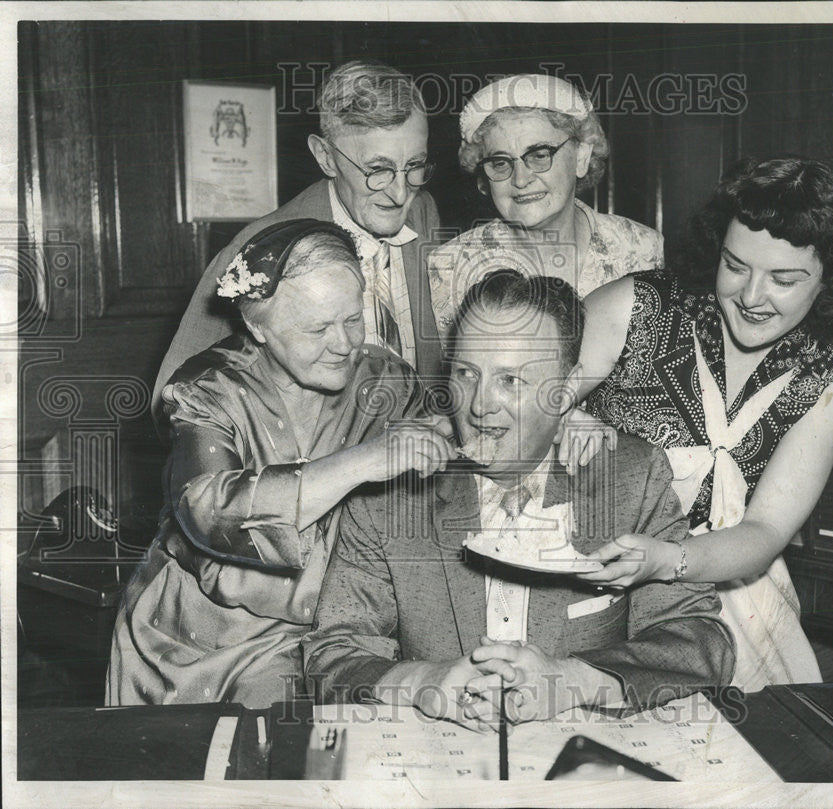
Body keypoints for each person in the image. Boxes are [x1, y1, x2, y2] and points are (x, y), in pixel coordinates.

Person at [302, 271, 734, 727]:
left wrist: (574, 682)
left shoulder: (629, 477)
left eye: (510, 380)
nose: (479, 406)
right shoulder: (391, 493)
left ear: (565, 394)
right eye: (467, 373)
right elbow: (332, 655)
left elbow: (702, 642)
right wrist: (421, 684)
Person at [107, 220, 456, 708]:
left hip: (337, 629)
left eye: (353, 319)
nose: (344, 345)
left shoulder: (387, 381)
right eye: (317, 328)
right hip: (198, 640)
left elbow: (458, 442)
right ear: (258, 327)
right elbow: (208, 511)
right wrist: (364, 461)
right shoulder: (210, 388)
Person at [570, 157, 833, 692]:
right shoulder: (639, 306)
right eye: (736, 266)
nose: (752, 296)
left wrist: (669, 560)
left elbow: (766, 529)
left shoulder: (831, 367)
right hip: (584, 583)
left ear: (831, 279)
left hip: (725, 596)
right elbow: (513, 407)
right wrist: (562, 417)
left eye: (784, 279)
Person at [153, 60, 444, 421]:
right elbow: (173, 400)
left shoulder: (425, 212)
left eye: (415, 166)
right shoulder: (257, 249)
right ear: (326, 157)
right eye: (378, 170)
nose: (401, 193)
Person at [426, 73, 663, 335]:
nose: (521, 179)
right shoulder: (449, 268)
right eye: (501, 162)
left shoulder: (642, 250)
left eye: (539, 155)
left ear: (582, 157)